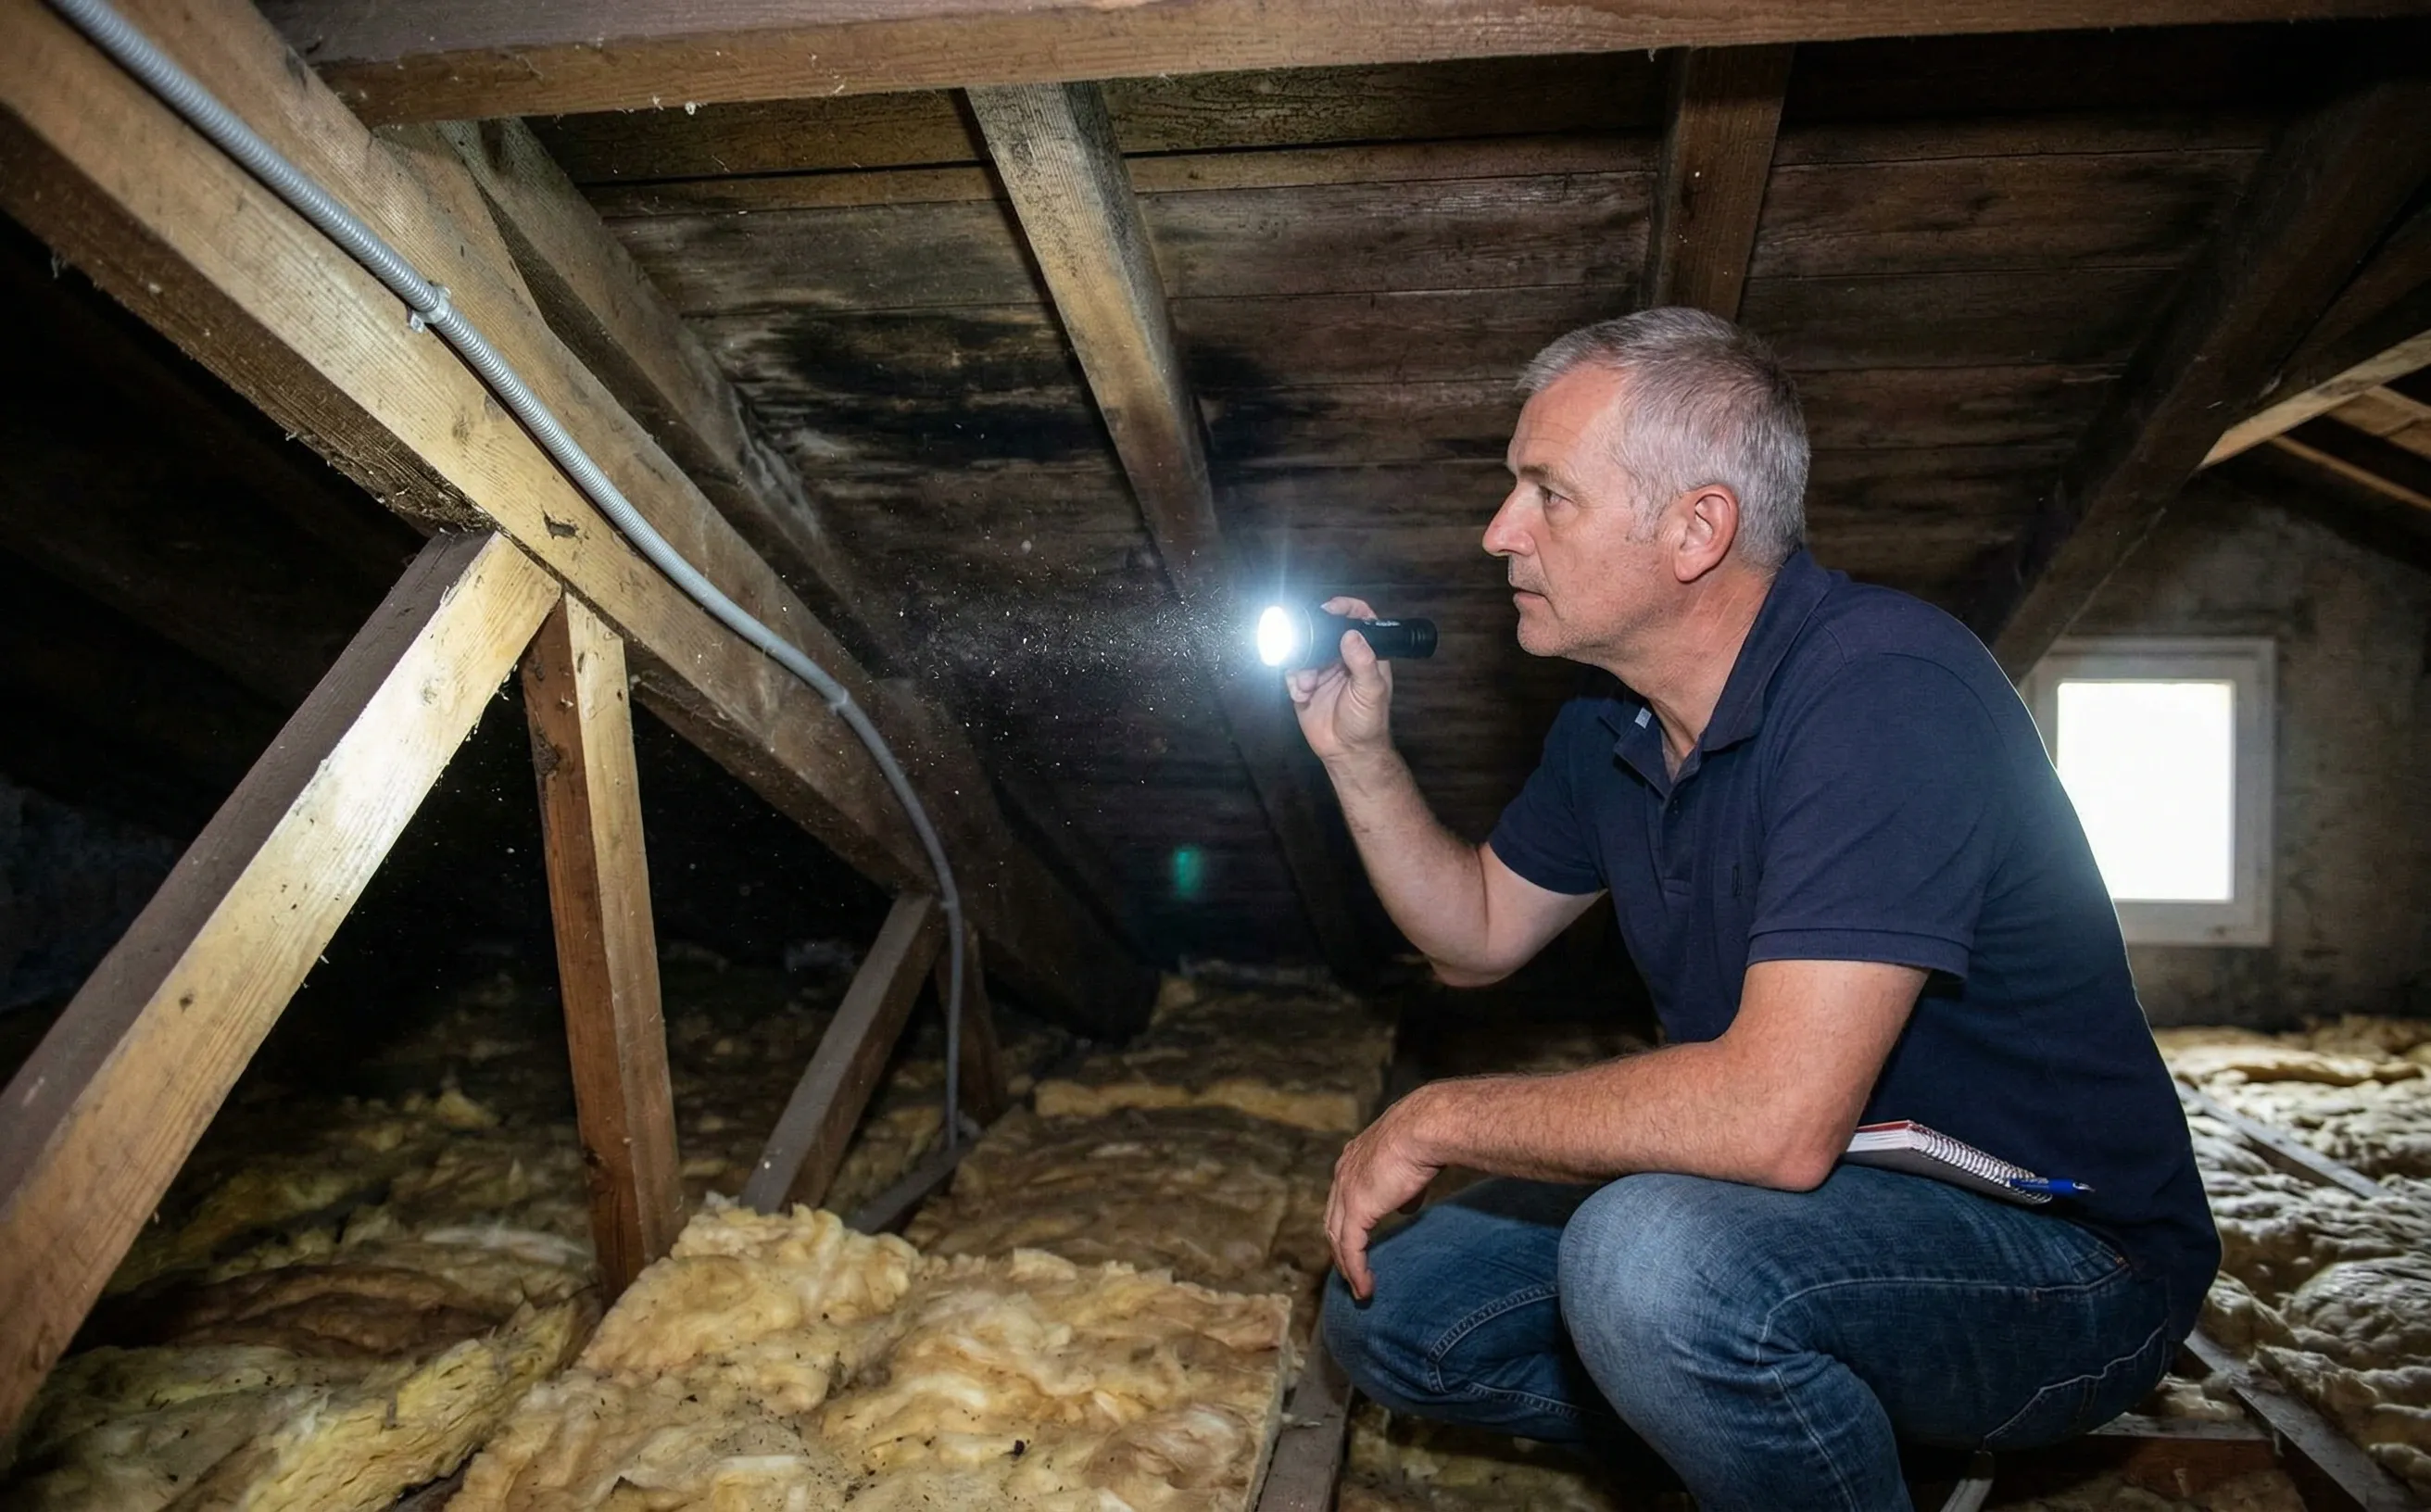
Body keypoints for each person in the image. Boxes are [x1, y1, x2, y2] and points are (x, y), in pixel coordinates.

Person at [1283, 308, 2218, 1511]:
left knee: (1654, 1265)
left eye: (1546, 493)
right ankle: (1823, 1433)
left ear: (1696, 529)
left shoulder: (1883, 691)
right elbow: (1474, 936)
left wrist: (1436, 1119)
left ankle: (1807, 1423)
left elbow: (1777, 1116)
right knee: (1396, 1311)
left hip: (2062, 1258)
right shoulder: (1609, 729)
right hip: (1808, 1210)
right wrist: (1360, 759)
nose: (1497, 531)